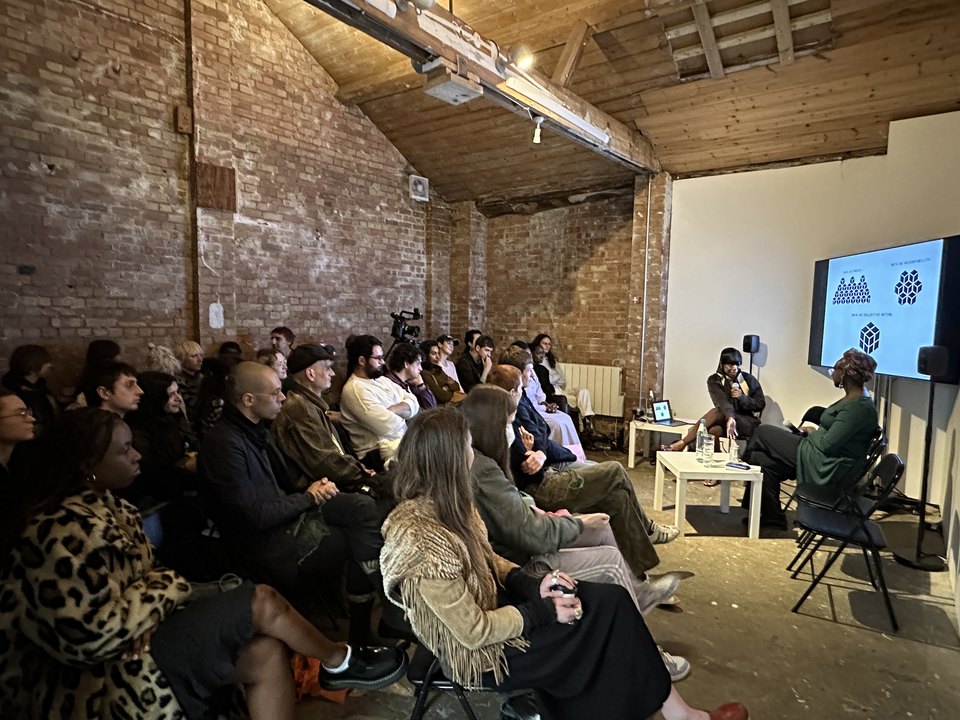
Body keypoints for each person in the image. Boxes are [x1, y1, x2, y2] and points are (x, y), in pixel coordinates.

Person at [0, 408, 406, 720]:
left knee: (266, 651)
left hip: (140, 637)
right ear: (88, 466)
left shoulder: (111, 510)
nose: (137, 454)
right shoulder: (58, 531)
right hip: (97, 679)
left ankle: (337, 660)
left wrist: (150, 608)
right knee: (261, 598)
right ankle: (338, 660)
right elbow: (86, 636)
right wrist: (159, 599)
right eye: (124, 450)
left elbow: (136, 591)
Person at [379, 407, 749, 720]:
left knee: (612, 601)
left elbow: (489, 560)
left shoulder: (450, 506)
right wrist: (543, 610)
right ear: (451, 461)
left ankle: (677, 711)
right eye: (467, 446)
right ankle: (675, 713)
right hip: (486, 657)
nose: (473, 454)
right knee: (592, 624)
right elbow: (473, 633)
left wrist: (530, 583)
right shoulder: (420, 540)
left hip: (502, 613)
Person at [461, 386, 687, 676]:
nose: (512, 431)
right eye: (508, 424)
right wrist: (578, 523)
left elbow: (516, 506)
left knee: (604, 525)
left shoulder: (485, 459)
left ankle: (639, 593)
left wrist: (553, 508)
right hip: (520, 565)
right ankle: (644, 655)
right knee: (610, 559)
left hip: (526, 533)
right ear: (492, 425)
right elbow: (528, 533)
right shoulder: (482, 469)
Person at [198, 362, 403, 646]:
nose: (283, 398)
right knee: (360, 536)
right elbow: (254, 516)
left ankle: (385, 616)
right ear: (248, 400)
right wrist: (309, 497)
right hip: (265, 542)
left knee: (361, 506)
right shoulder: (224, 444)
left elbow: (284, 486)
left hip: (285, 517)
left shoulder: (255, 430)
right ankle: (381, 620)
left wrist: (315, 489)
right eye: (275, 393)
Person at [488, 360, 677, 580]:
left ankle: (639, 576)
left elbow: (540, 430)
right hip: (541, 486)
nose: (525, 389)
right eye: (521, 387)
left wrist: (536, 450)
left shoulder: (516, 411)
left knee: (616, 498)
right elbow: (524, 462)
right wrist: (532, 450)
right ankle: (647, 530)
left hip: (546, 472)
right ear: (512, 392)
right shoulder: (504, 422)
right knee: (615, 469)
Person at [742, 348, 879, 528]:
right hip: (817, 452)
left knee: (762, 432)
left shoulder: (859, 408)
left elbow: (828, 445)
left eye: (834, 370)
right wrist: (811, 431)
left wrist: (812, 432)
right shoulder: (853, 399)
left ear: (845, 374)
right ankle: (772, 517)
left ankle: (739, 468)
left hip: (824, 463)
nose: (832, 374)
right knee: (762, 460)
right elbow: (832, 435)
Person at [271, 344, 392, 501]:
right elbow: (325, 462)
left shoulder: (309, 404)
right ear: (311, 373)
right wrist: (366, 475)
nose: (333, 373)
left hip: (333, 482)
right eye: (327, 368)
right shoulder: (300, 408)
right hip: (316, 492)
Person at [339, 335, 419, 468]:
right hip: (377, 456)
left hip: (399, 444)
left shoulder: (381, 379)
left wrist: (393, 410)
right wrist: (404, 410)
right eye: (378, 358)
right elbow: (388, 426)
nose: (383, 362)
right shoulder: (355, 390)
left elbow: (414, 401)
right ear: (361, 360)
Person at [123, 371, 197, 506]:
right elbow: (153, 474)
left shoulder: (170, 418)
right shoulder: (136, 430)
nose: (178, 398)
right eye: (170, 394)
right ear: (155, 398)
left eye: (178, 392)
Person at [2, 344, 59, 434]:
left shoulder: (39, 385)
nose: (51, 365)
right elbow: (23, 413)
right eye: (45, 362)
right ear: (32, 365)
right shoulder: (13, 391)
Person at [385, 342, 436, 411]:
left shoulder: (409, 383)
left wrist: (421, 386)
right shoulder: (389, 384)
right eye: (418, 364)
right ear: (406, 364)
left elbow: (431, 408)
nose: (420, 368)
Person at [419, 340, 465, 405]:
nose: (438, 357)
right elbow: (442, 397)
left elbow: (456, 385)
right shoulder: (424, 373)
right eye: (433, 354)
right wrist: (449, 386)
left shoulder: (437, 369)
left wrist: (445, 388)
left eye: (438, 353)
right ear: (425, 355)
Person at [175, 340, 205, 420]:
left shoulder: (202, 378)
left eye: (201, 355)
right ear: (182, 358)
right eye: (194, 356)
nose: (200, 360)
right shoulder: (176, 381)